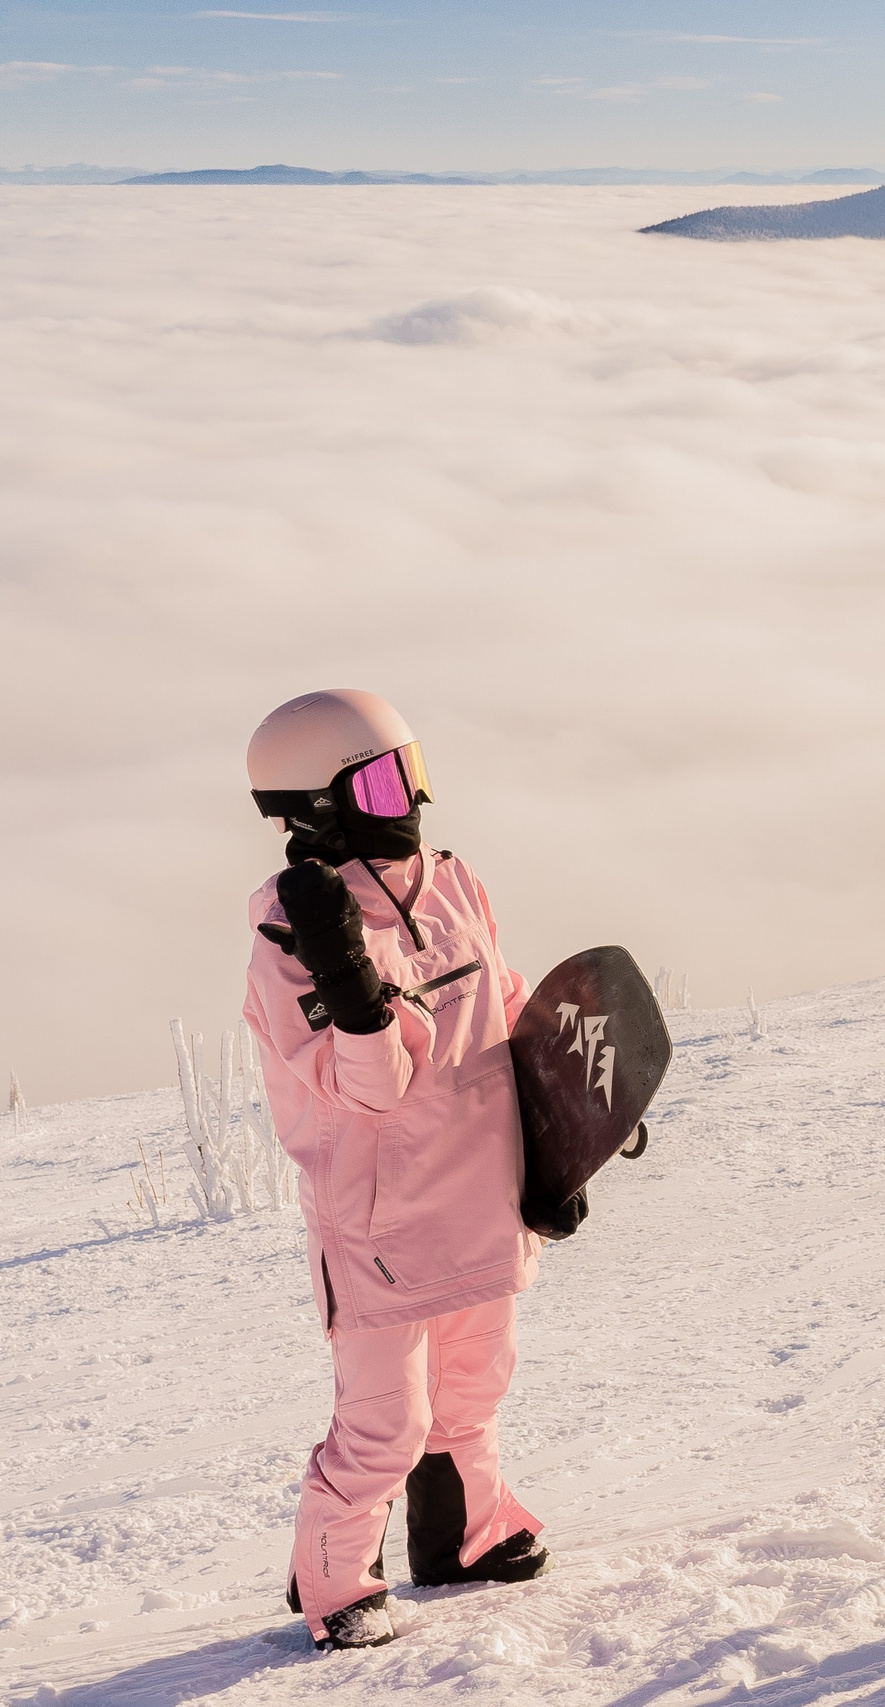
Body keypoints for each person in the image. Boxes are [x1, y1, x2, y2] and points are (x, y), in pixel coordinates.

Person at [242, 688, 550, 1652]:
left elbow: (505, 1004)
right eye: (382, 779)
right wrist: (353, 989)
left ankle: (467, 1530)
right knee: (388, 1416)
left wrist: (564, 1125)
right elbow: (363, 1090)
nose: (410, 798)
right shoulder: (287, 935)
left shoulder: (453, 882)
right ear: (318, 804)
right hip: (379, 1222)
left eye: (411, 770)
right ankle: (333, 1573)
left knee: (474, 1383)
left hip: (482, 1191)